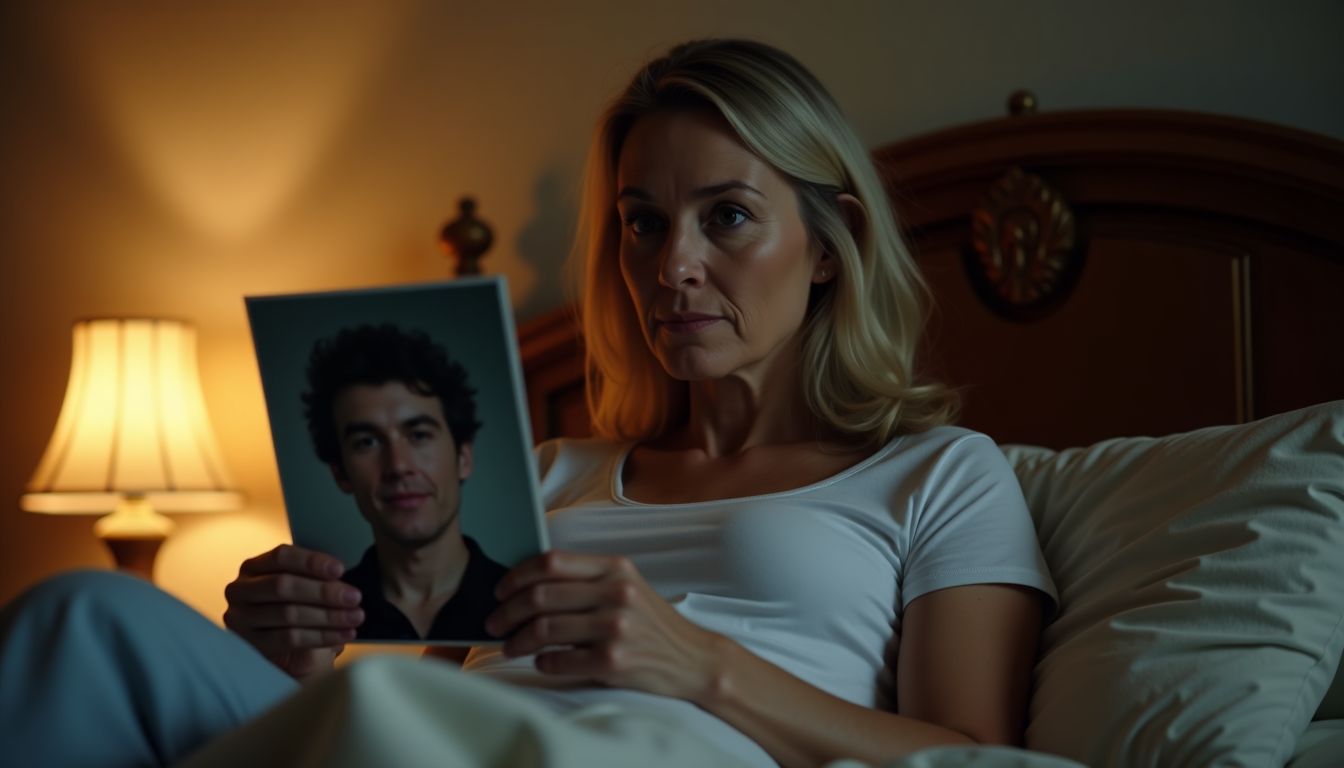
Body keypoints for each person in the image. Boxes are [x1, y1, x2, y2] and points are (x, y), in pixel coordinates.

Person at [0, 39, 1055, 768]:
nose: (672, 266)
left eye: (727, 216)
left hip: (668, 748)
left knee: (383, 710)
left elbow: (976, 758)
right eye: (644, 225)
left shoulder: (939, 474)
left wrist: (700, 668)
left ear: (831, 248)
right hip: (446, 729)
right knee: (80, 619)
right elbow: (433, 680)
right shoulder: (540, 471)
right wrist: (296, 658)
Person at [286, 324, 508, 646]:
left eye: (418, 435)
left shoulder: (528, 604)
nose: (398, 466)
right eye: (367, 442)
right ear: (340, 473)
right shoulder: (316, 622)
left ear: (464, 458)